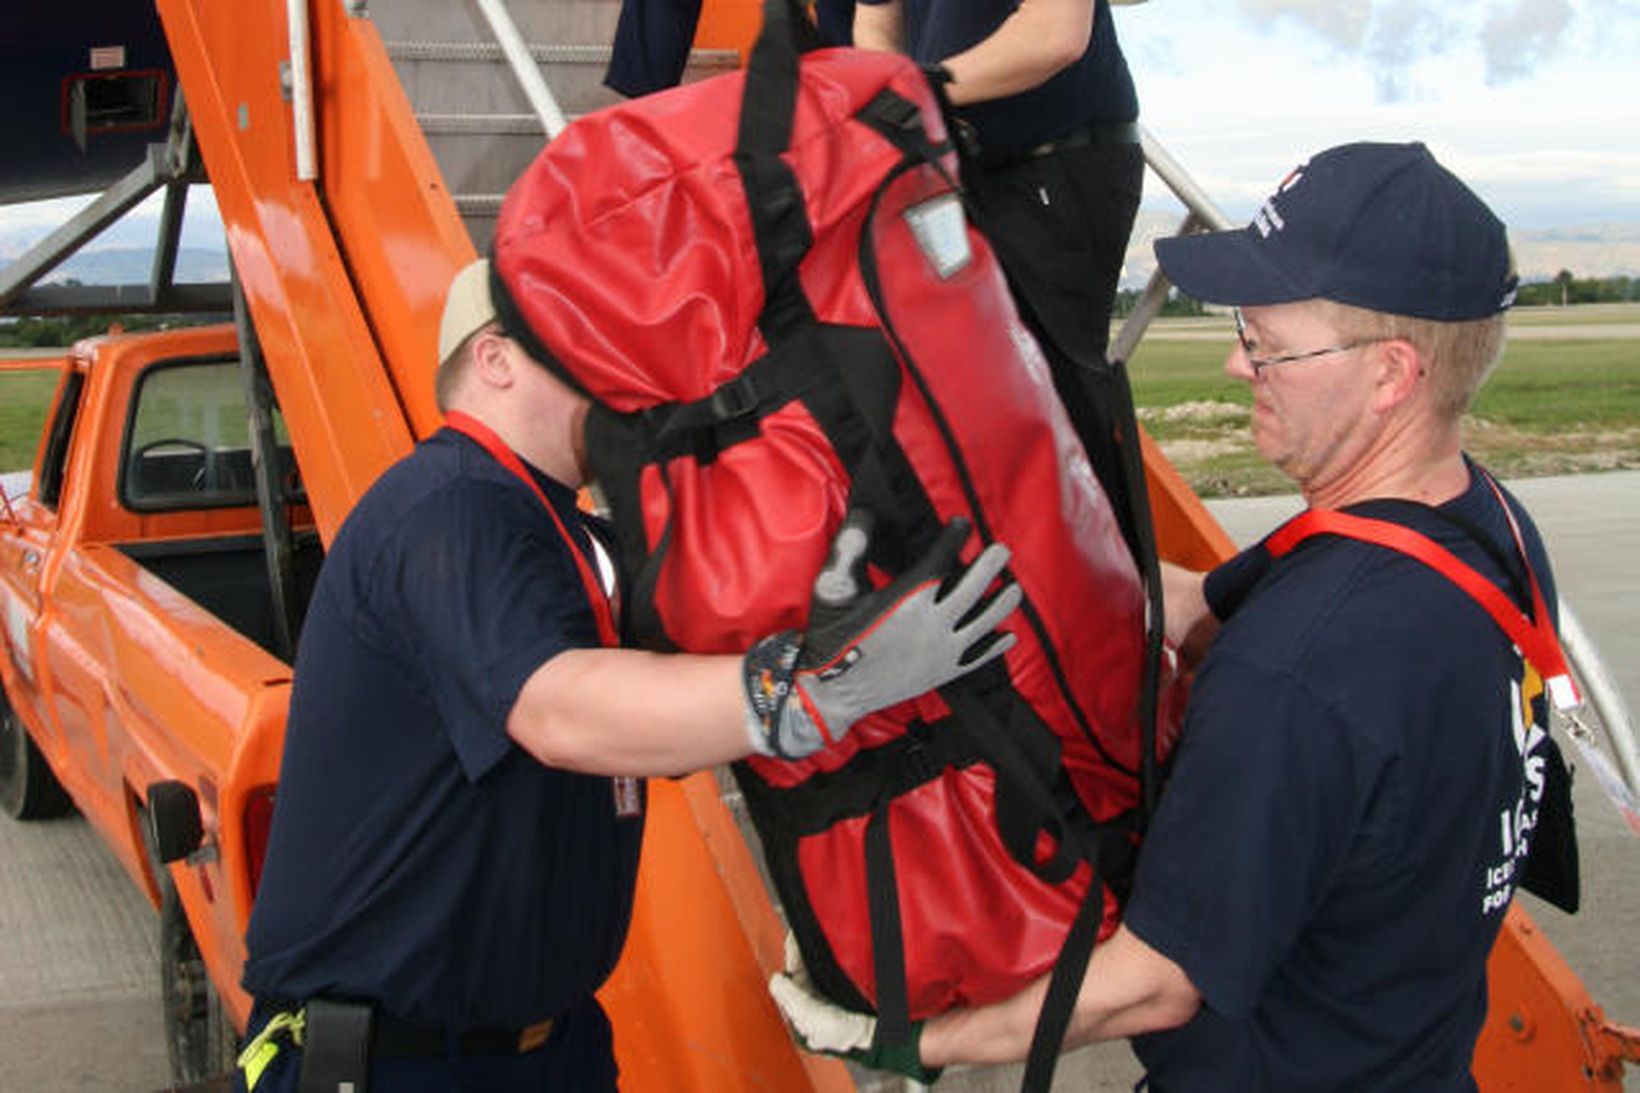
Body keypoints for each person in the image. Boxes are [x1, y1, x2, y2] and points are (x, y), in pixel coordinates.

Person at [773, 141, 1575, 1091]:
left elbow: (1149, 986)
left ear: (1391, 373)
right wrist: (999, 531)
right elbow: (1203, 607)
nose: (1239, 364)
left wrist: (905, 1037)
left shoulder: (1300, 667)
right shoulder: (1481, 528)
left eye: (1265, 338)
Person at [230, 259, 1022, 1093]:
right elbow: (561, 710)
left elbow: (653, 724)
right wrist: (818, 687)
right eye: (585, 340)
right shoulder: (452, 507)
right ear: (495, 358)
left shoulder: (568, 533)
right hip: (397, 1061)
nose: (620, 371)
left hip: (543, 1044)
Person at [854, 0, 1147, 535]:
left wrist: (919, 89)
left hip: (1056, 160)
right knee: (974, 404)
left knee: (1058, 402)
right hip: (956, 164)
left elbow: (1054, 34)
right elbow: (876, 19)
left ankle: (1110, 601)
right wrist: (893, 101)